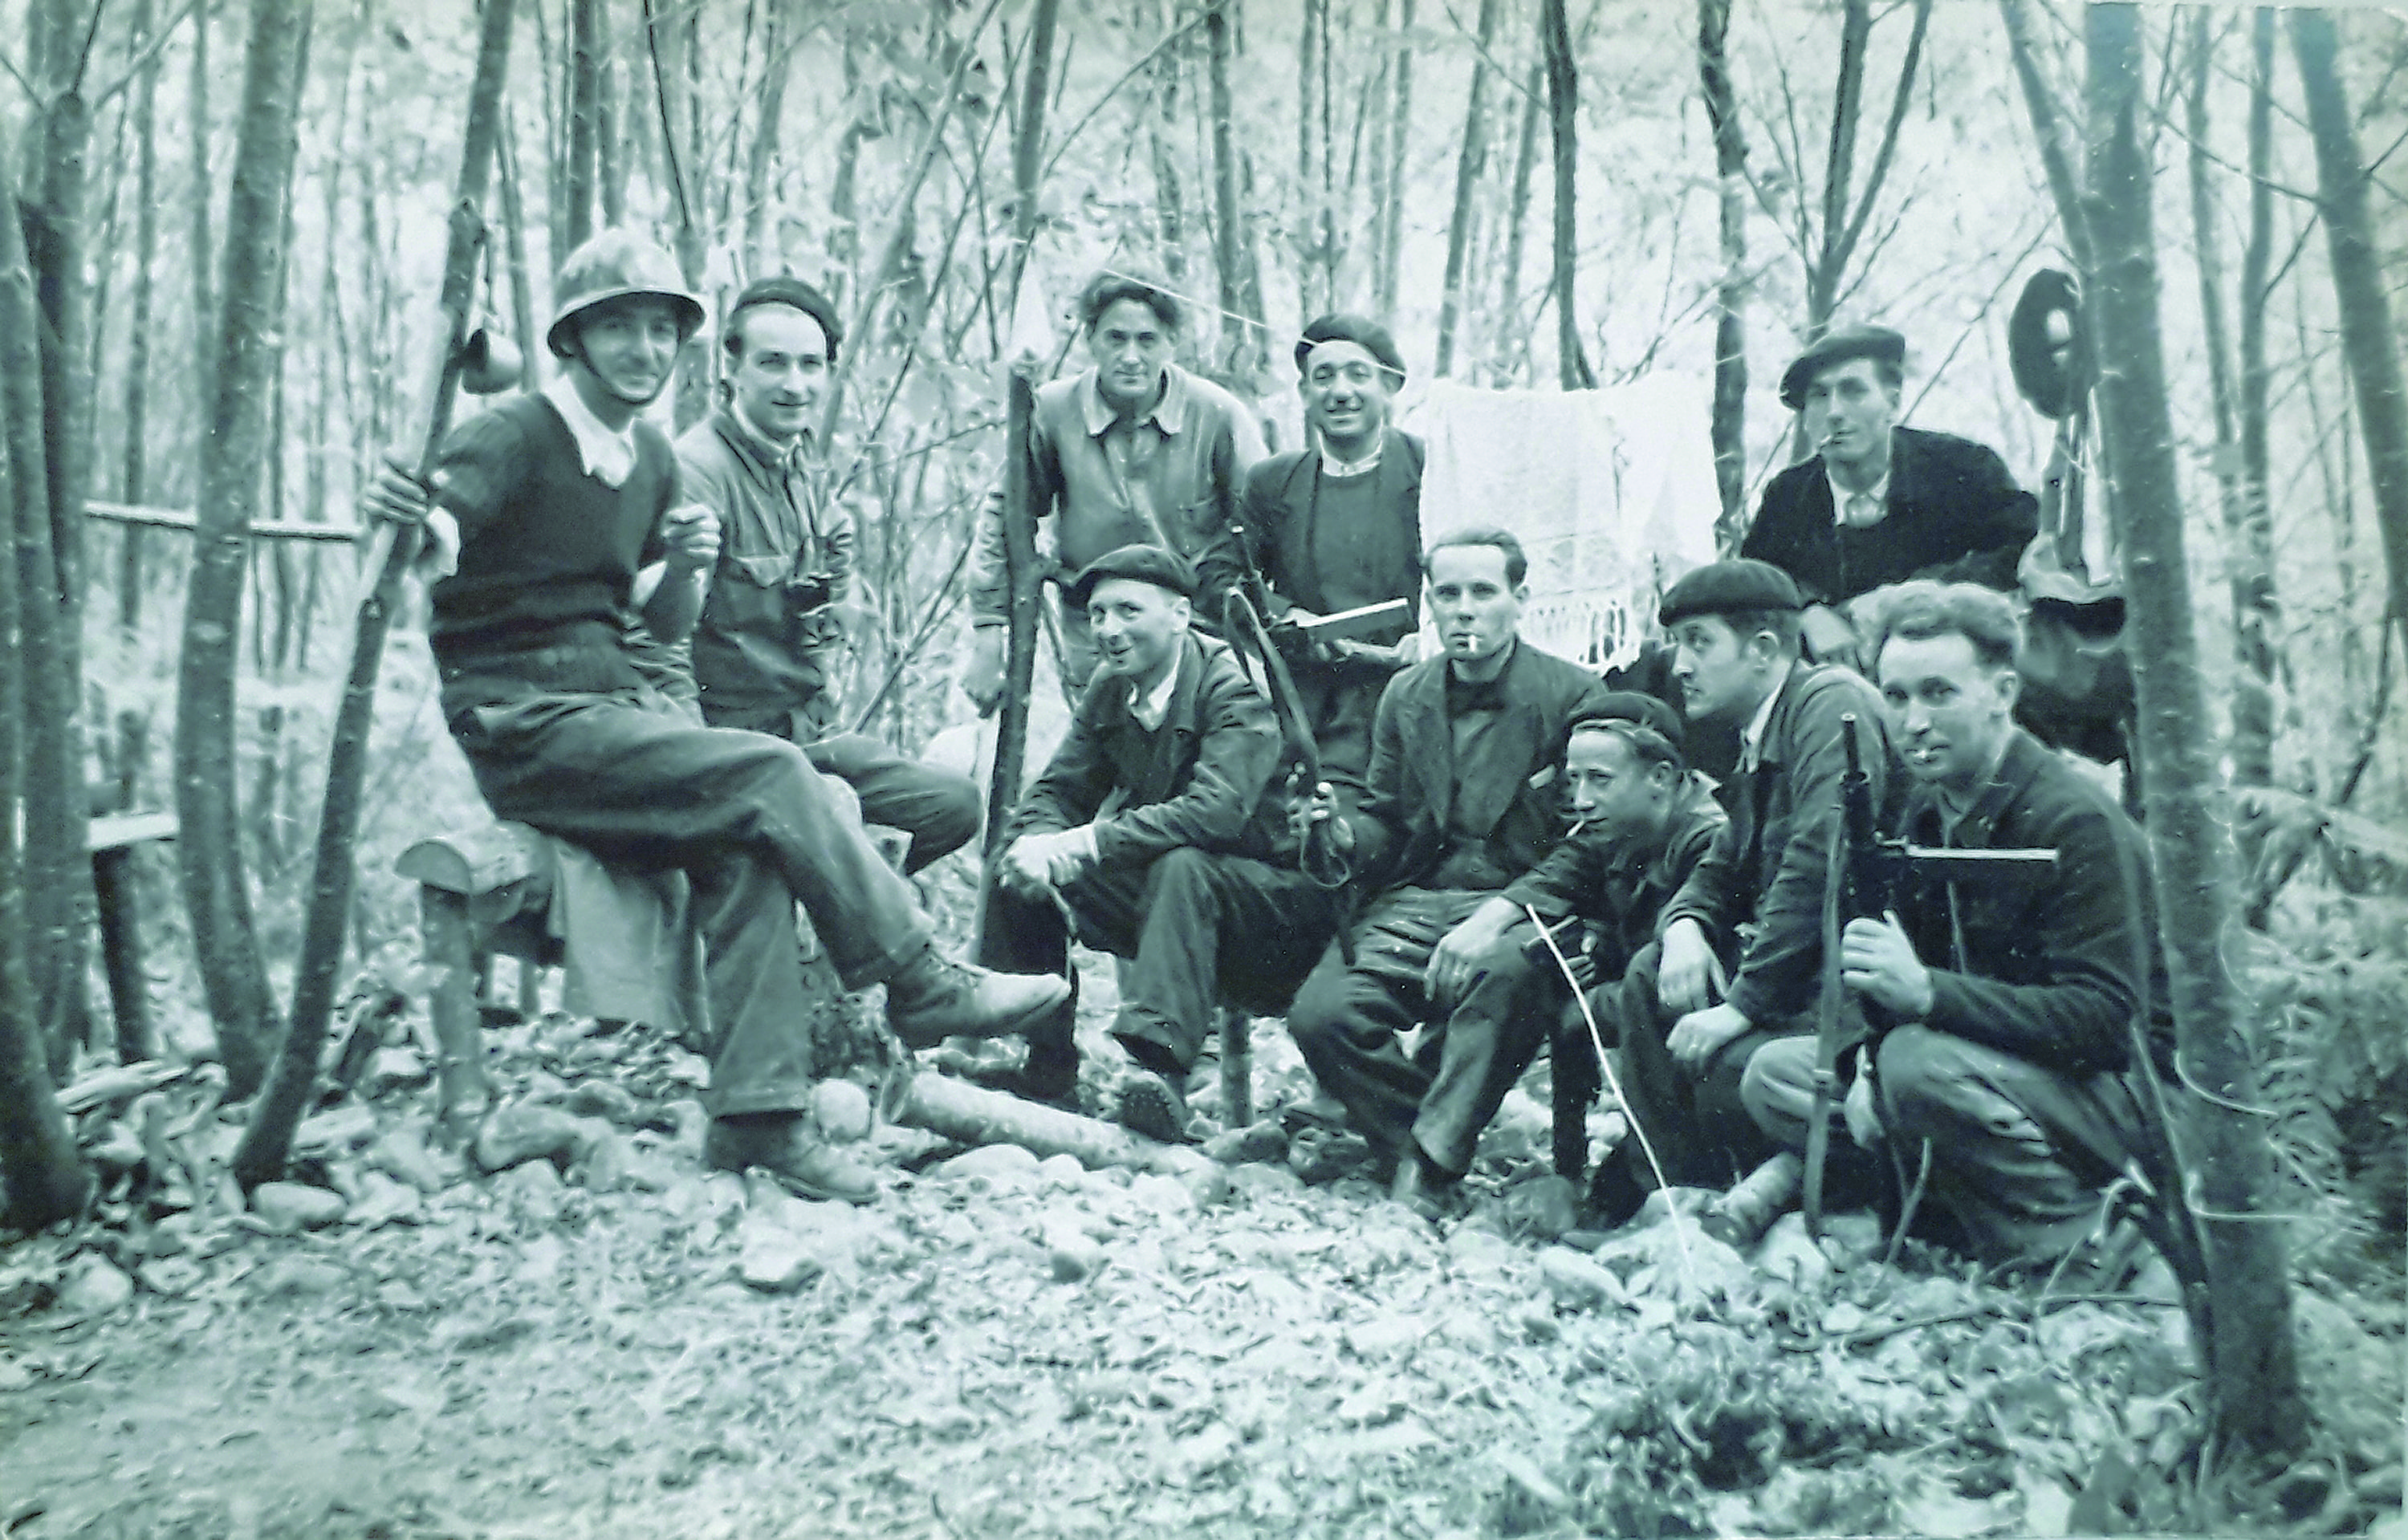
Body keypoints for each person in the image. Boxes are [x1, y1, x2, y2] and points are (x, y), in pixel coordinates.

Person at [364, 230, 1068, 1205]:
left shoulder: (648, 456)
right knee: (773, 773)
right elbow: (414, 551)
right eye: (619, 328)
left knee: (748, 845)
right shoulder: (514, 434)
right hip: (522, 722)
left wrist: (686, 567)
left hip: (609, 714)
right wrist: (399, 513)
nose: (644, 350)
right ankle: (918, 976)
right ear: (572, 338)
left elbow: (654, 621)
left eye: (661, 330)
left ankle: (757, 1118)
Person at [1738, 581, 2169, 1274]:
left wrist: (1926, 997)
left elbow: (2106, 1024)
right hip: (1997, 1072)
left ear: (2002, 692)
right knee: (1779, 1076)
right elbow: (1886, 980)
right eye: (1897, 696)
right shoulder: (1928, 813)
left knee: (1914, 1068)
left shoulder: (2075, 820)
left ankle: (2077, 1245)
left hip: (2122, 1098)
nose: (1913, 721)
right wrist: (1865, 1060)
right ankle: (1955, 1215)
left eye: (1939, 693)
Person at [1284, 528, 1613, 1213]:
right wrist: (1339, 829)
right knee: (1322, 1014)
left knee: (1507, 974)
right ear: (1430, 602)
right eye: (1448, 593)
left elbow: (1590, 840)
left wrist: (1501, 913)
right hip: (1419, 901)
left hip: (1524, 905)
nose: (1464, 610)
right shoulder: (1406, 693)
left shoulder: (1574, 694)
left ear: (1520, 599)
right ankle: (1420, 1135)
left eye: (1483, 592)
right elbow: (1386, 819)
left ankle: (1428, 1170)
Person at [1588, 559, 1892, 1224]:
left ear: (1762, 649)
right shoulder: (1762, 734)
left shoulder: (1827, 705)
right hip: (1814, 980)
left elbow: (1821, 862)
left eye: (1699, 643)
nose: (1680, 666)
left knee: (1731, 1069)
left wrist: (1743, 1004)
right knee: (1652, 974)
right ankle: (1673, 1192)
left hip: (1862, 992)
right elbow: (1722, 864)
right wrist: (1686, 926)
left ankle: (1759, 1187)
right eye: (1678, 645)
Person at [977, 545, 1293, 1137]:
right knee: (1017, 860)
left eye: (1129, 611)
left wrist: (1083, 844)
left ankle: (1159, 1076)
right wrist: (1039, 843)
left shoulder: (1234, 685)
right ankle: (1043, 1060)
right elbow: (1060, 788)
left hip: (1268, 905)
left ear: (1179, 615)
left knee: (1182, 865)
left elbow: (1216, 814)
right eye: (1098, 614)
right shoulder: (1113, 686)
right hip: (1174, 898)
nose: (1108, 630)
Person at [672, 274, 978, 874]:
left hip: (806, 741)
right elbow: (662, 647)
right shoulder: (698, 473)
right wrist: (696, 767)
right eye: (773, 363)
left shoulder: (800, 465)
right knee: (812, 846)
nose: (795, 384)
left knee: (952, 804)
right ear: (731, 369)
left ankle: (834, 905)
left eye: (810, 365)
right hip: (730, 752)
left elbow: (816, 619)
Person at [963, 270, 1267, 708]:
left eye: (1147, 340)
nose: (1131, 357)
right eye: (1116, 339)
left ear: (1172, 342)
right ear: (1090, 339)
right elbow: (1005, 517)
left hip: (1198, 629)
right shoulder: (1053, 411)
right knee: (1105, 741)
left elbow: (1265, 522)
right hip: (1098, 635)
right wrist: (989, 635)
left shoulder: (1217, 414)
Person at [1198, 311, 1426, 801]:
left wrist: (1432, 632)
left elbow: (1475, 565)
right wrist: (1286, 618)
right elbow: (1218, 577)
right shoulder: (1273, 482)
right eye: (1324, 377)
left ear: (1389, 386)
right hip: (1313, 699)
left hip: (1415, 690)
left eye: (1358, 375)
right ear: (1304, 393)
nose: (1340, 392)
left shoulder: (1428, 467)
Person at [1503, 694, 1728, 1183]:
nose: (1582, 799)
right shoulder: (1624, 824)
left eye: (1600, 780)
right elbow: (1611, 904)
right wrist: (1597, 943)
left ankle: (1657, 1174)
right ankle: (1575, 1165)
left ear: (1661, 777)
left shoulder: (1709, 835)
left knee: (1576, 1016)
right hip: (1651, 991)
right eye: (1574, 780)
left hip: (1701, 1007)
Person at [1739, 326, 2038, 668]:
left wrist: (1904, 598)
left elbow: (2022, 546)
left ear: (1892, 403)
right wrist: (1808, 611)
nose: (1834, 412)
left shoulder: (1963, 467)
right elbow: (1753, 582)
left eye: (1853, 391)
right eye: (1819, 396)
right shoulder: (1788, 495)